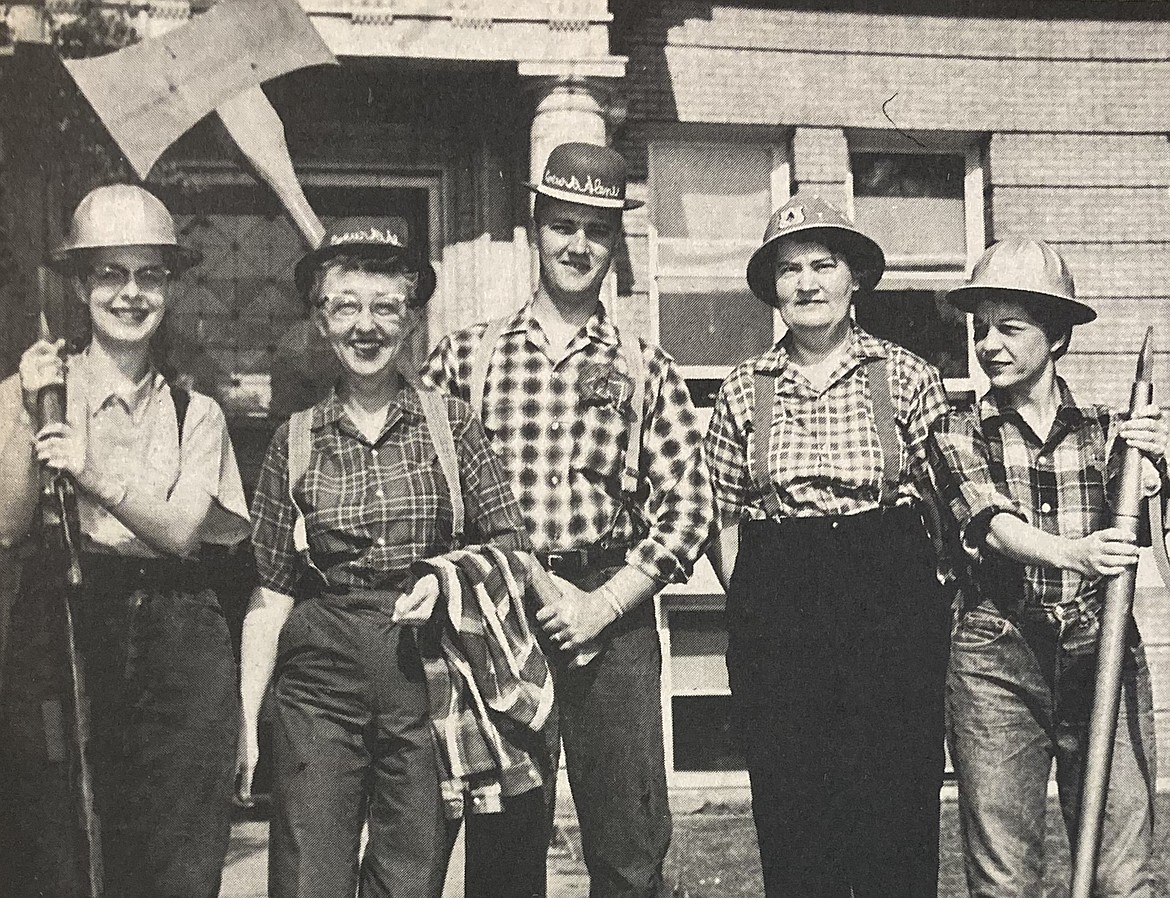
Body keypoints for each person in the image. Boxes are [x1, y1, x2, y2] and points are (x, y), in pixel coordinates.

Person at [422, 142, 713, 898]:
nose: (579, 245)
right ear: (533, 230)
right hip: (501, 617)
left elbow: (689, 504)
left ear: (616, 244)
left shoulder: (647, 366)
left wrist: (602, 604)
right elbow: (422, 491)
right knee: (507, 848)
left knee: (628, 849)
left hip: (610, 618)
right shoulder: (465, 357)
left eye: (597, 229)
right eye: (563, 225)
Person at [238, 217, 540, 898]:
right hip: (319, 679)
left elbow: (513, 545)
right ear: (320, 320)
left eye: (385, 307)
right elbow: (271, 594)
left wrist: (446, 578)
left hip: (425, 673)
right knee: (310, 875)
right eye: (345, 306)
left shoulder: (452, 422)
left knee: (410, 875)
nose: (365, 326)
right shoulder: (295, 438)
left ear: (411, 320)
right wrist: (246, 725)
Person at [0, 183, 250, 898]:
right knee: (55, 842)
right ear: (80, 285)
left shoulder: (197, 412)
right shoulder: (34, 391)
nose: (130, 293)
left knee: (174, 851)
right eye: (110, 273)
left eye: (150, 274)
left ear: (170, 286)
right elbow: (10, 522)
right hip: (64, 625)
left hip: (177, 638)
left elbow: (177, 532)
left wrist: (92, 468)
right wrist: (24, 412)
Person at [703, 194, 953, 898]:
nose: (806, 283)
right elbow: (724, 513)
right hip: (780, 611)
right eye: (789, 270)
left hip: (888, 604)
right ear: (773, 288)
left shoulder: (906, 376)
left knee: (895, 817)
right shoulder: (742, 388)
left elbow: (943, 509)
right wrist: (764, 598)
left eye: (823, 265)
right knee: (793, 817)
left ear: (856, 280)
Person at [929, 238, 1168, 898]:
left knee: (1124, 874)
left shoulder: (1108, 429)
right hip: (996, 661)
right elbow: (990, 525)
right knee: (1005, 877)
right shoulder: (955, 429)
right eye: (982, 329)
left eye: (1011, 328)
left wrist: (1152, 474)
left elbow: (1150, 529)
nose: (990, 345)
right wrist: (1073, 553)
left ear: (1056, 335)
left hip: (1103, 652)